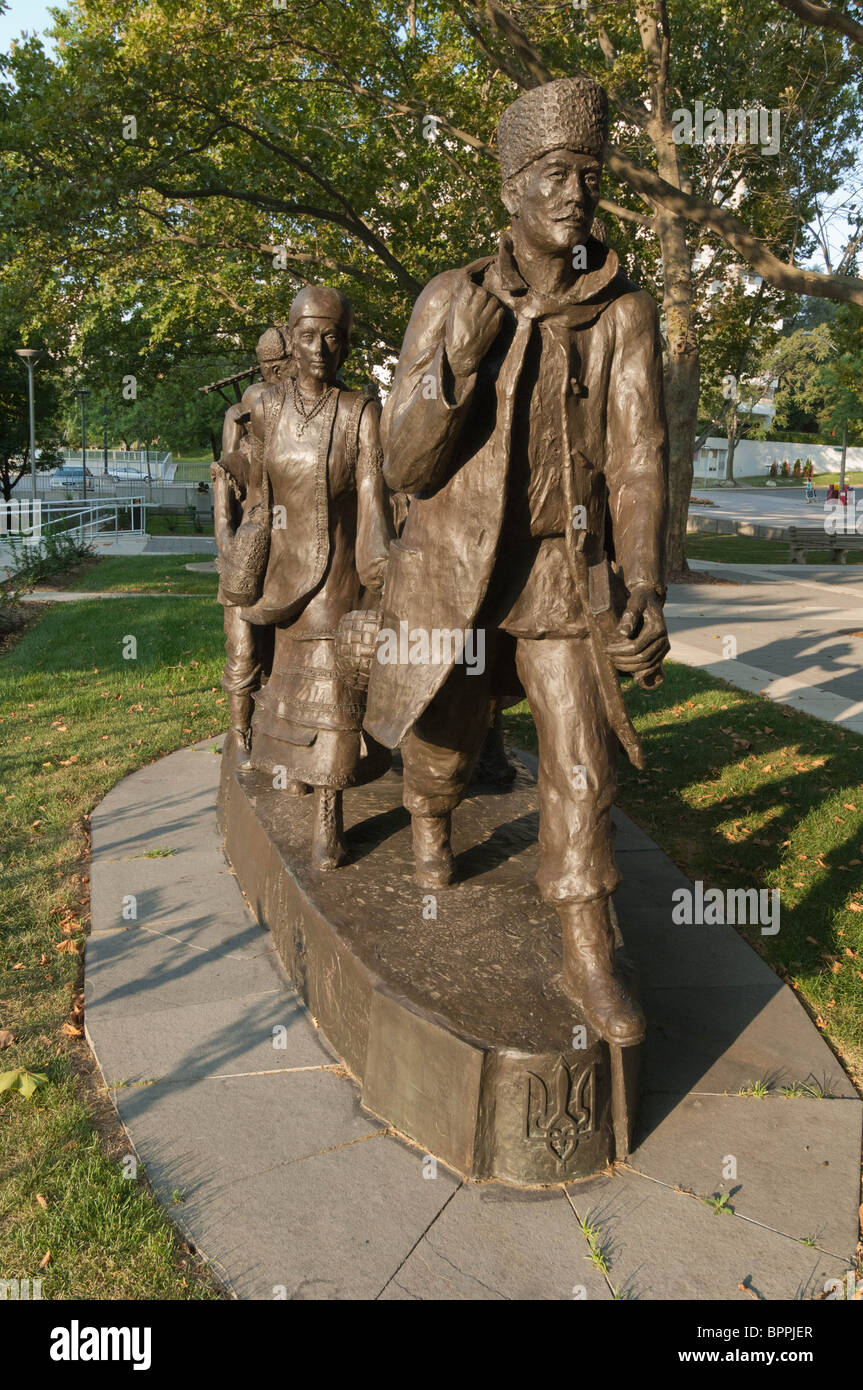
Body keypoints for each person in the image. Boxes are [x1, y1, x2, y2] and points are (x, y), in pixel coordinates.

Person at [365, 76, 669, 1046]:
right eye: (552, 173)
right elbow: (401, 459)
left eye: (588, 173)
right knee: (444, 736)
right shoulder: (448, 298)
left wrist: (643, 583)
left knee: (579, 763)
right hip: (459, 570)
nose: (574, 192)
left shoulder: (621, 313)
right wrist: (460, 356)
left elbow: (635, 458)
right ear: (509, 190)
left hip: (555, 576)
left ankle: (585, 947)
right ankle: (426, 821)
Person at [241, 286, 393, 870]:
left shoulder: (359, 410)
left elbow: (372, 498)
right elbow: (258, 487)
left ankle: (330, 813)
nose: (320, 347)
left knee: (334, 695)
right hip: (283, 574)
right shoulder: (264, 404)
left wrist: (380, 576)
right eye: (307, 334)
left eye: (332, 335)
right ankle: (293, 770)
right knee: (285, 685)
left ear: (346, 342)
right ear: (290, 336)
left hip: (337, 575)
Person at [212, 326, 290, 753]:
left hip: (289, 543)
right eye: (271, 369)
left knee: (282, 647)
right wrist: (229, 546)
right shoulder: (241, 422)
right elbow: (223, 506)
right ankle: (240, 734)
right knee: (243, 651)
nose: (277, 375)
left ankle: (279, 728)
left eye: (282, 368)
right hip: (249, 544)